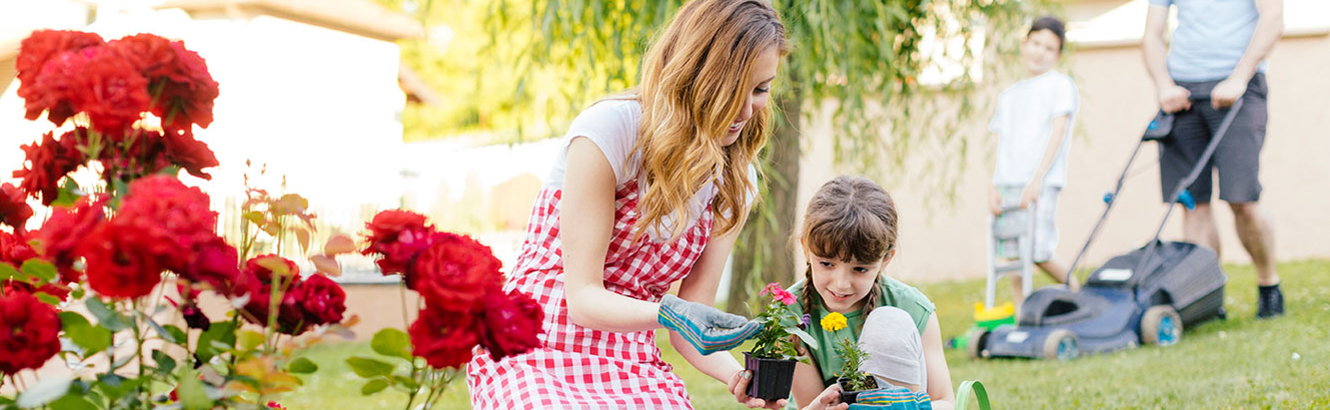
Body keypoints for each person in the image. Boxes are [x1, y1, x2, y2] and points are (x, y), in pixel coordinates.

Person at [466, 0, 790, 408]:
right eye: (729, 92)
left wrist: (741, 378)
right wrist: (672, 313)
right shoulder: (611, 131)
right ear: (692, 76)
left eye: (761, 89)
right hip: (533, 345)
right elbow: (583, 298)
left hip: (630, 360)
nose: (745, 111)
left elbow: (689, 322)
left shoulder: (735, 180)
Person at [1143, 0, 1285, 318]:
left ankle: (1268, 284)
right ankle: (1206, 298)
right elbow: (1152, 33)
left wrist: (1240, 76)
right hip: (1182, 92)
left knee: (1243, 200)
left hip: (1239, 86)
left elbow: (1274, 19)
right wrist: (1164, 85)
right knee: (1193, 204)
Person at [786, 176, 956, 410]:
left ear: (886, 259)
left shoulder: (912, 307)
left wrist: (905, 408)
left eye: (860, 269)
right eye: (827, 264)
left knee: (890, 322)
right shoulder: (790, 314)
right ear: (806, 248)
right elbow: (809, 403)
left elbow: (945, 402)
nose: (841, 284)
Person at [987, 16, 1079, 309]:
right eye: (1036, 43)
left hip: (1040, 182)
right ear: (1024, 44)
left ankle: (1080, 295)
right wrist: (992, 186)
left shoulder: (1059, 85)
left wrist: (1037, 179)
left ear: (1058, 55)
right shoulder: (1008, 95)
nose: (1040, 51)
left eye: (1049, 48)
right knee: (1014, 255)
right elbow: (998, 143)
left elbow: (1058, 131)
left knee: (1038, 250)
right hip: (1008, 182)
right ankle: (1022, 315)